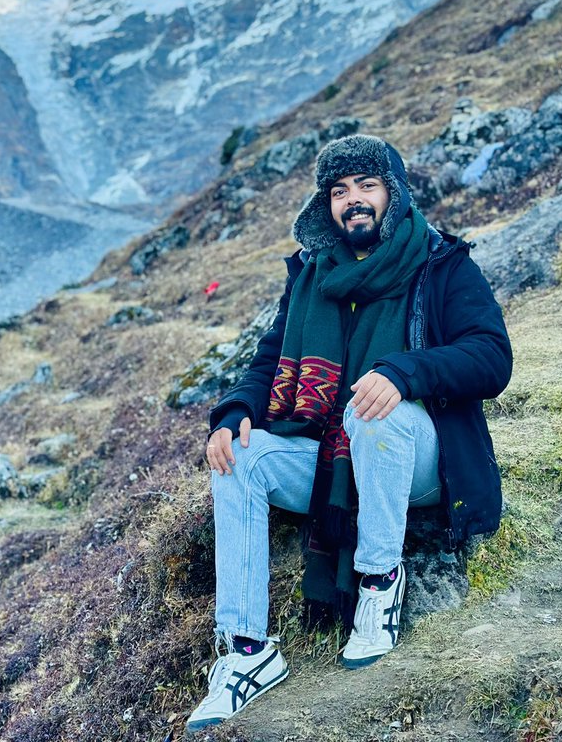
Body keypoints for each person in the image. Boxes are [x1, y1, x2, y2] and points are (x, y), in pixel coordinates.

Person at [185, 134, 512, 733]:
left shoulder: (441, 263)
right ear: (326, 205)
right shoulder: (314, 274)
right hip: (334, 460)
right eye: (339, 190)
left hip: (422, 459)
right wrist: (233, 414)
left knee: (372, 409)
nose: (353, 200)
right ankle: (247, 653)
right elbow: (268, 358)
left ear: (394, 191)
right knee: (241, 457)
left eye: (367, 185)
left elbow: (492, 357)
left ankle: (379, 584)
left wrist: (404, 372)